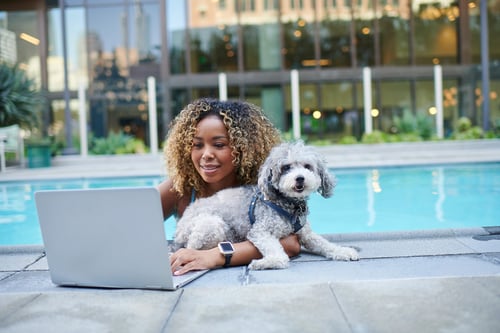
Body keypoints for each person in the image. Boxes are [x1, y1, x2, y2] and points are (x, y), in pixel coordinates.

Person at [158, 98, 301, 275]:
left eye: (219, 145)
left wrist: (216, 255)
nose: (206, 154)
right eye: (197, 145)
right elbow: (126, 221)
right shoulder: (181, 188)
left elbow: (291, 243)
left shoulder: (264, 189)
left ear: (245, 148)